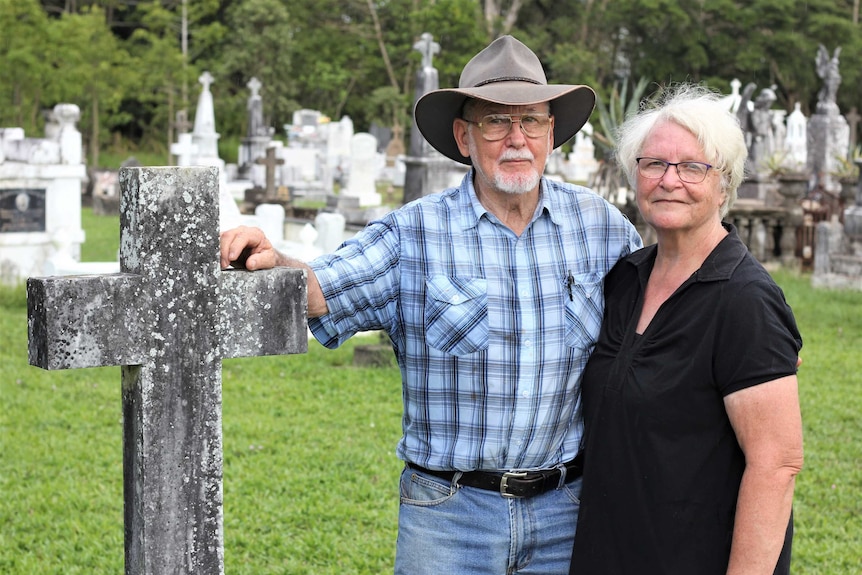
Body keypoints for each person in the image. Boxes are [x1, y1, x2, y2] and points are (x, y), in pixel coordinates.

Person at [221, 36, 641, 575]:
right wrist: (271, 257)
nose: (517, 139)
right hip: (449, 516)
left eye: (531, 121)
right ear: (464, 137)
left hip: (567, 511)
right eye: (496, 122)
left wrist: (737, 334)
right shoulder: (413, 233)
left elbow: (662, 311)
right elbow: (322, 290)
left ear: (551, 133)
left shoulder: (600, 228)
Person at [569, 84, 803, 575]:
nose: (669, 180)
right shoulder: (624, 279)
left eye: (692, 167)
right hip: (607, 553)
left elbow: (776, 465)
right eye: (653, 164)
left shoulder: (745, 300)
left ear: (724, 184)